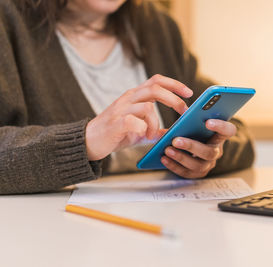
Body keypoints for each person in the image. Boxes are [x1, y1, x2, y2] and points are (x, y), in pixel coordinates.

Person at [0, 0, 254, 194]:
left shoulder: (158, 27)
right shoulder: (8, 19)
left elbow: (239, 135)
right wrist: (86, 141)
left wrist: (208, 154)